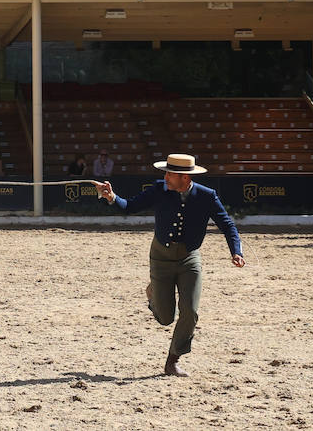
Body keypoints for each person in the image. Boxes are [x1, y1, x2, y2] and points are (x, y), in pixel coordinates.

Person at [96, 153, 246, 377]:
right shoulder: (159, 189)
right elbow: (130, 207)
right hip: (160, 257)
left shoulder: (207, 196)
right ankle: (152, 295)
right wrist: (111, 196)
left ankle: (173, 360)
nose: (165, 177)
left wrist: (236, 251)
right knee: (166, 318)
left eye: (170, 173)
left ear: (184, 178)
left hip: (189, 258)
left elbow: (227, 224)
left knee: (190, 312)